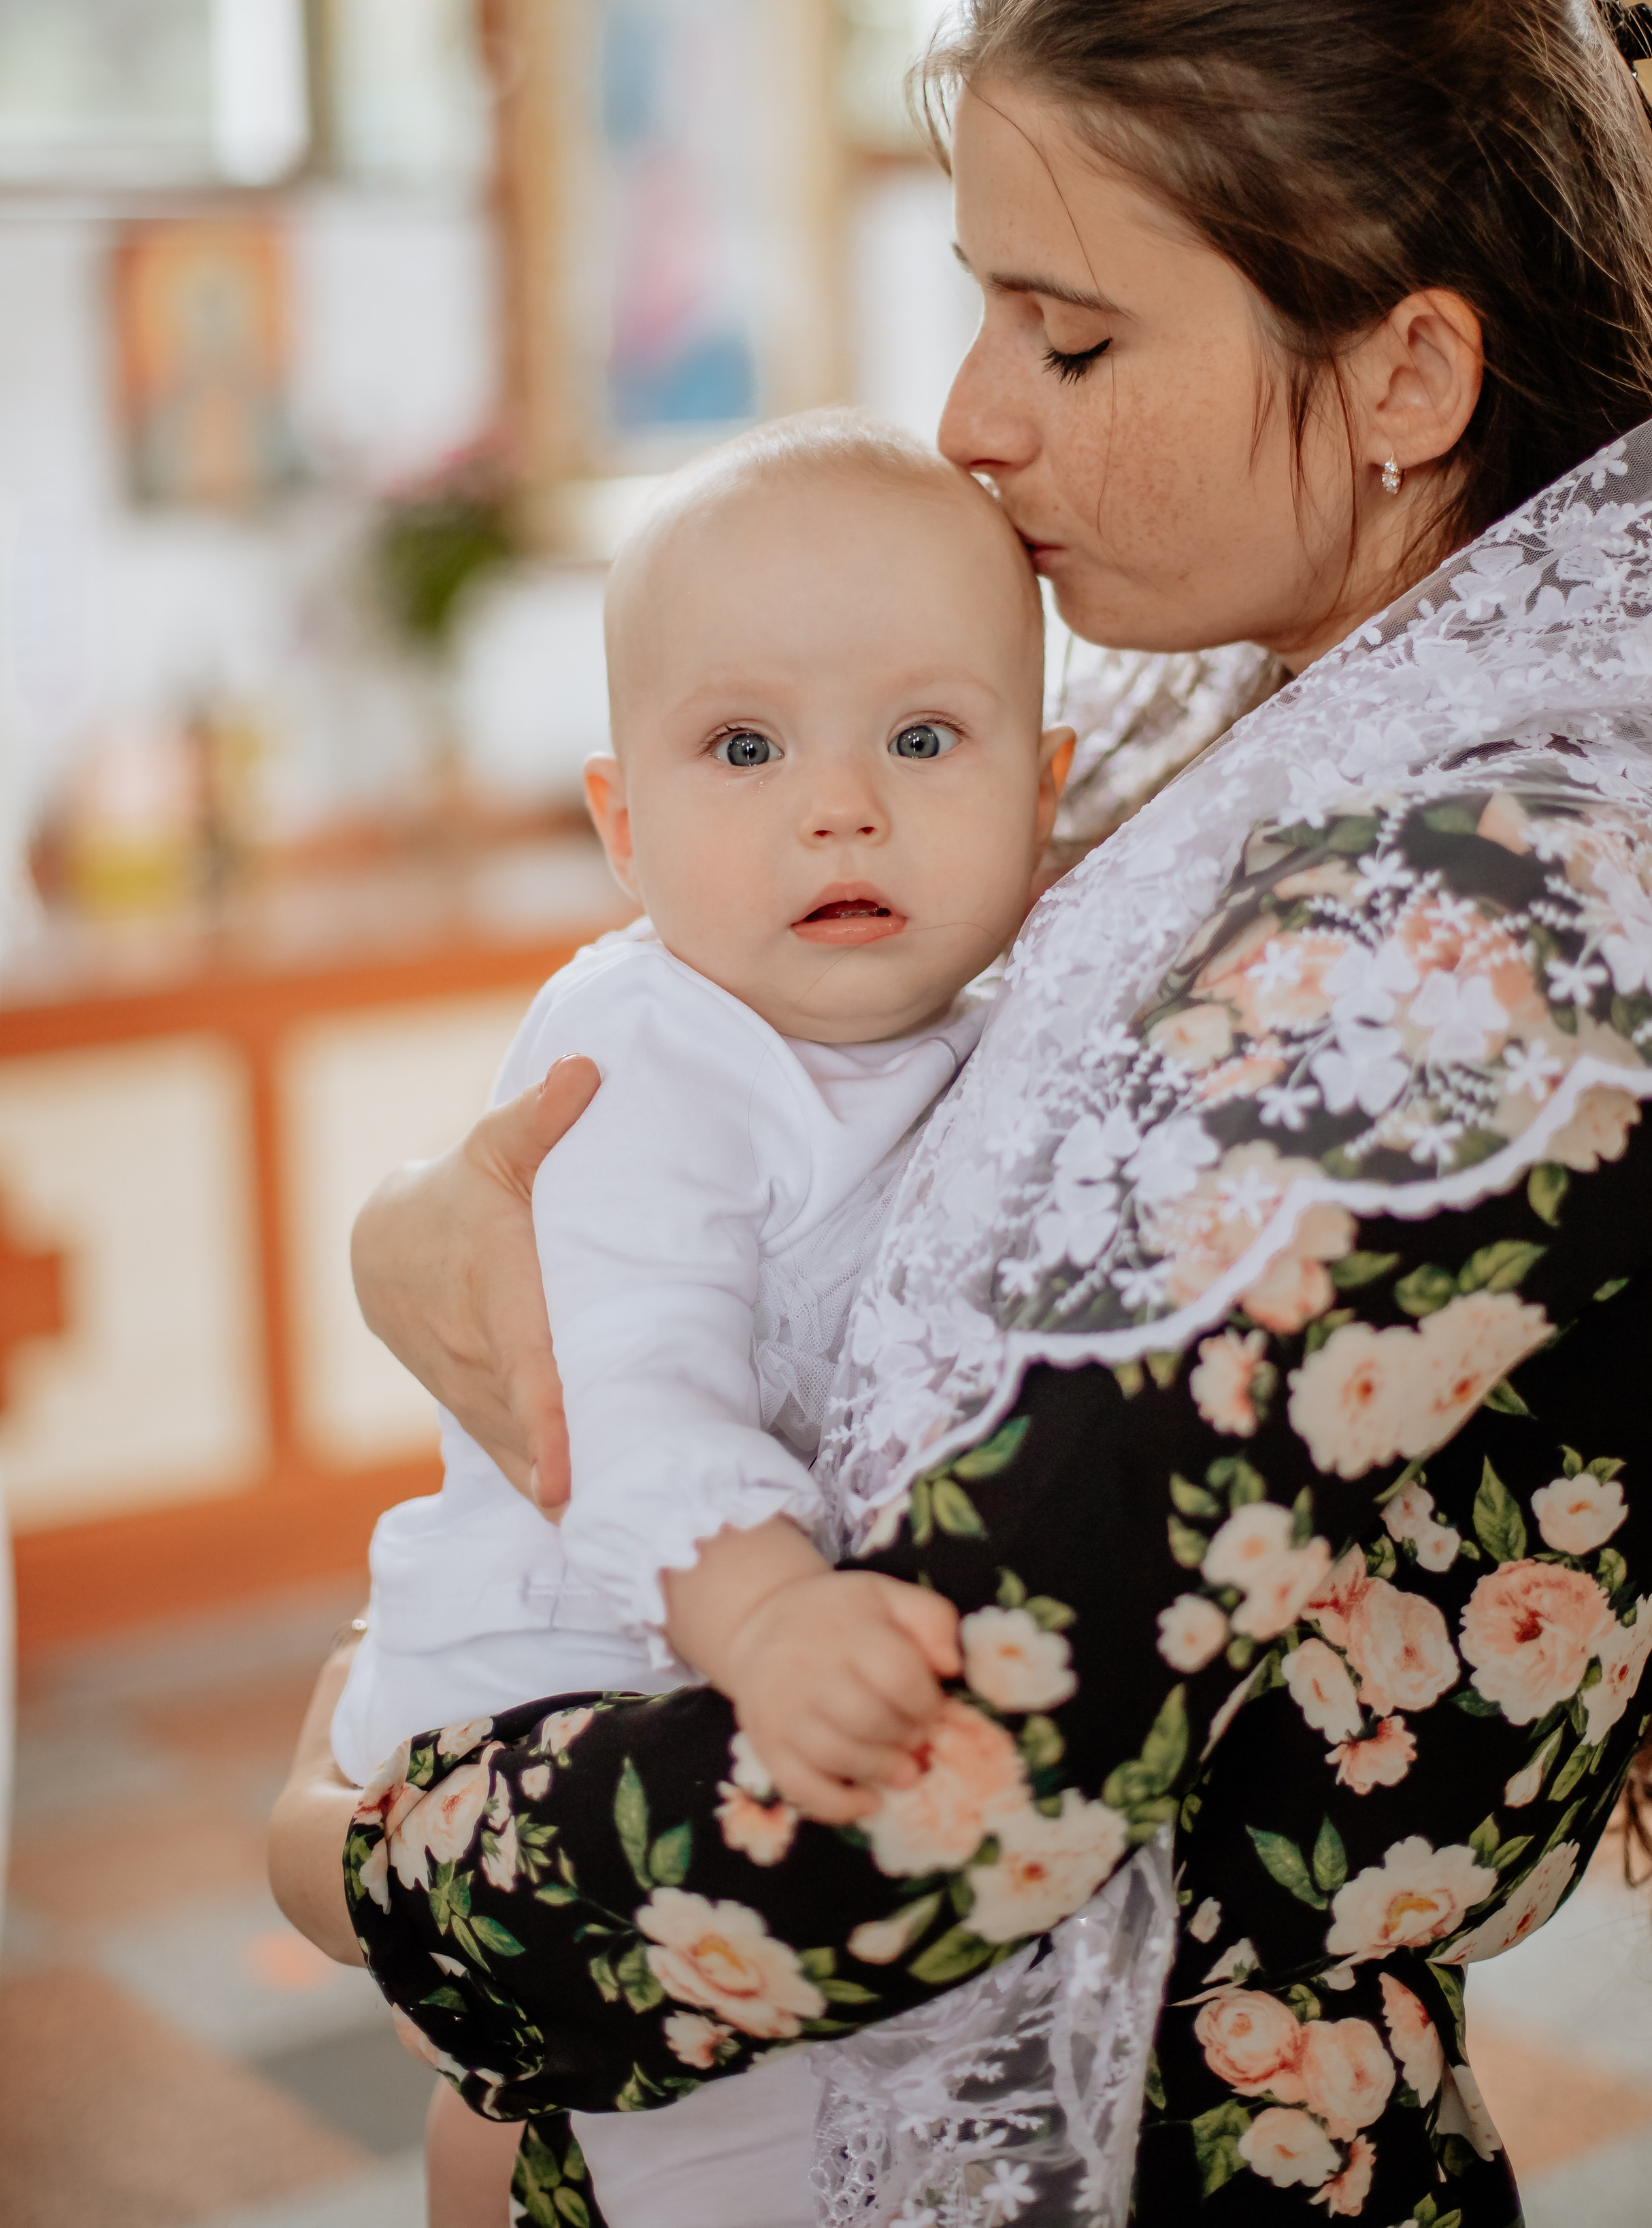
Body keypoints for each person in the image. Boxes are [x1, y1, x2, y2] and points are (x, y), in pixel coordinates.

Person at [271, 0, 1652, 2224]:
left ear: (1409, 372)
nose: (973, 413)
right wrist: (436, 1247)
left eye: (1068, 336)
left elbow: (915, 1815)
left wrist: (344, 1841)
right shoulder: (1245, 744)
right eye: (977, 305)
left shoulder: (1486, 922)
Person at [328, 410, 1075, 2223]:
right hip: (573, 1654)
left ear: (1048, 792)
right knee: (711, 2148)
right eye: (744, 746)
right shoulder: (646, 1055)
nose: (842, 804)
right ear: (624, 826)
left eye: (921, 737)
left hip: (725, 1654)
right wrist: (767, 1607)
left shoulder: (975, 1033)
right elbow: (628, 1382)